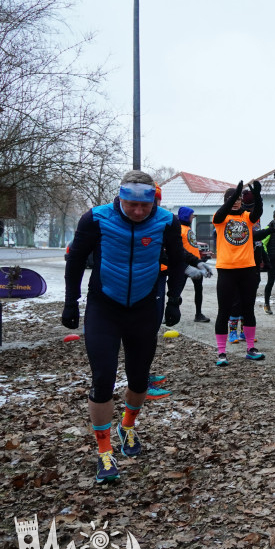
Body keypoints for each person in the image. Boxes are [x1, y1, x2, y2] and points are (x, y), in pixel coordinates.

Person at [63, 170, 188, 483]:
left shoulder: (166, 221)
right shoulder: (95, 219)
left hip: (145, 307)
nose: (138, 211)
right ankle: (105, 452)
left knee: (139, 377)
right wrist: (70, 302)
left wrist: (174, 300)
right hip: (104, 306)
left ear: (153, 202)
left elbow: (177, 261)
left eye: (144, 206)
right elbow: (76, 261)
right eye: (131, 204)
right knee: (103, 377)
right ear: (120, 197)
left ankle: (127, 427)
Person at [213, 181, 266, 365]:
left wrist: (257, 195)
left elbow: (258, 212)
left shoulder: (246, 217)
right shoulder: (219, 218)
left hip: (248, 269)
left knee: (248, 309)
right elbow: (221, 213)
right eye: (231, 199)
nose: (235, 202)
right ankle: (221, 352)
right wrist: (233, 195)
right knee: (224, 310)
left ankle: (250, 348)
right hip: (227, 270)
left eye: (238, 199)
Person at [176, 207, 213, 323]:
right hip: (184, 265)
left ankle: (198, 314)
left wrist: (199, 262)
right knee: (177, 290)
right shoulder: (179, 229)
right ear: (185, 216)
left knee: (199, 289)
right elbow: (177, 249)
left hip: (195, 263)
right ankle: (171, 313)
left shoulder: (188, 229)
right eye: (191, 216)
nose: (193, 218)